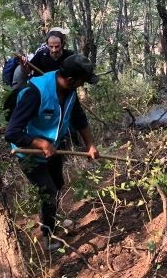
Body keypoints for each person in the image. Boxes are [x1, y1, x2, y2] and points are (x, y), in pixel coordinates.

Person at [5, 53, 100, 250]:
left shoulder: (70, 91)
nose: (82, 86)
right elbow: (12, 133)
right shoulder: (35, 92)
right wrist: (39, 143)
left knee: (57, 184)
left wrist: (90, 144)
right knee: (48, 192)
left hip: (54, 148)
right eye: (82, 81)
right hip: (28, 152)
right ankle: (45, 237)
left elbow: (79, 119)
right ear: (71, 79)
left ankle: (51, 221)